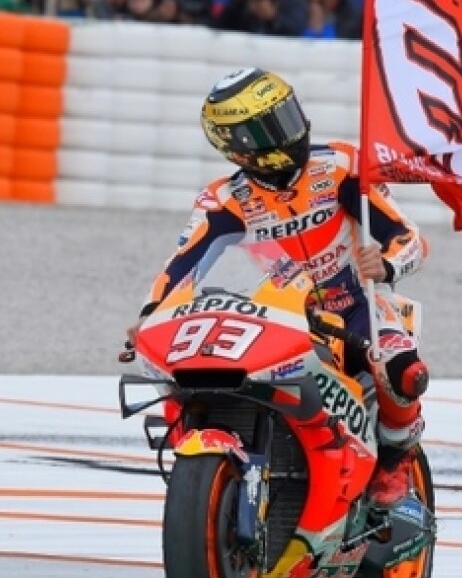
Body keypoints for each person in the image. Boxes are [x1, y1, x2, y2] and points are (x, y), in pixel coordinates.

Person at [128, 68, 430, 509]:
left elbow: (410, 238)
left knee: (402, 368)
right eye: (267, 128)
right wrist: (149, 315)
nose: (288, 133)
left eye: (286, 116)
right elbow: (180, 267)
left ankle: (395, 460)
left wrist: (386, 263)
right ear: (236, 146)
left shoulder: (342, 166)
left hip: (357, 305)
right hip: (281, 313)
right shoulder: (224, 200)